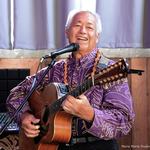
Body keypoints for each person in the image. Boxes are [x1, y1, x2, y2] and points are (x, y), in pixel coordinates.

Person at [6, 9, 135, 150]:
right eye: (77, 25)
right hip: (54, 145)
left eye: (90, 27)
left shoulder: (111, 70)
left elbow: (124, 122)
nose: (83, 31)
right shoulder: (54, 69)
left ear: (97, 36)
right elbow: (17, 93)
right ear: (67, 32)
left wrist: (90, 114)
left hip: (98, 145)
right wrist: (24, 116)